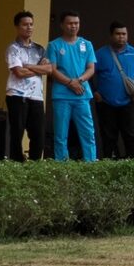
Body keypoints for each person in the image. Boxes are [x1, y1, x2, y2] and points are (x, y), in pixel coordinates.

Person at [92, 22, 134, 158]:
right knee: (108, 138)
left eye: (124, 34)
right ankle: (110, 166)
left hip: (130, 104)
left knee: (132, 136)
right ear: (111, 35)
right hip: (106, 104)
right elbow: (89, 74)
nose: (121, 37)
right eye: (118, 34)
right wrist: (95, 92)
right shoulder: (100, 54)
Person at [45, 11, 98, 162]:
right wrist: (70, 83)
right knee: (61, 134)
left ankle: (91, 163)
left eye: (76, 23)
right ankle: (61, 164)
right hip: (61, 95)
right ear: (62, 25)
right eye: (70, 23)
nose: (73, 26)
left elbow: (91, 68)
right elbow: (52, 70)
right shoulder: (54, 45)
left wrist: (79, 81)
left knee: (88, 132)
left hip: (82, 94)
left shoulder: (86, 44)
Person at [5, 11, 53, 161]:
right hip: (17, 95)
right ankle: (16, 163)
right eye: (25, 24)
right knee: (17, 133)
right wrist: (38, 68)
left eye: (31, 24)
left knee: (38, 134)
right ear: (17, 27)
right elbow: (19, 72)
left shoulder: (39, 48)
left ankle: (34, 165)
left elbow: (49, 69)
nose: (29, 27)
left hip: (36, 96)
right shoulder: (13, 48)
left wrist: (29, 66)